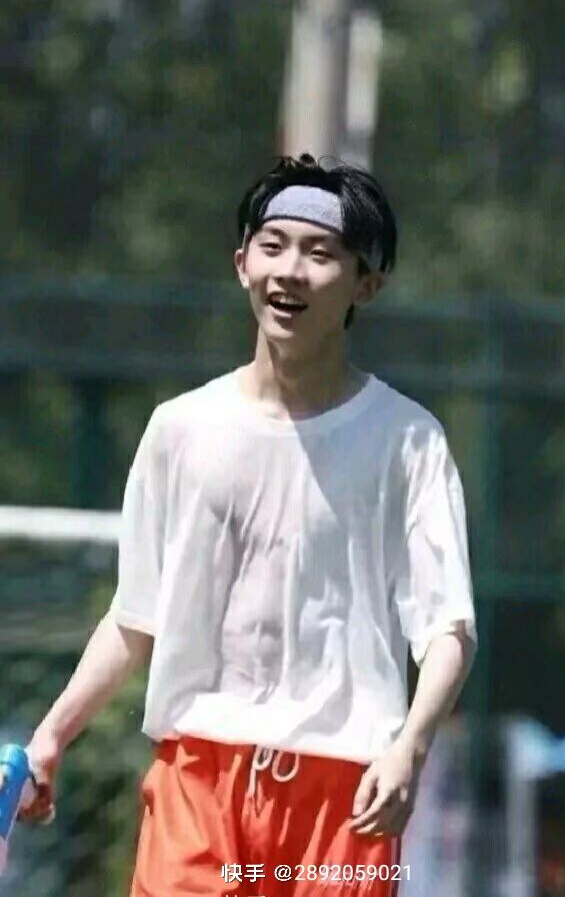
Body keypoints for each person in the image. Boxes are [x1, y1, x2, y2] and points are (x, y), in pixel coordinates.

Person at [18, 153, 478, 896]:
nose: (290, 271)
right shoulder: (181, 429)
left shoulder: (408, 441)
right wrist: (51, 735)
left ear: (366, 283)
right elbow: (136, 616)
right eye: (273, 246)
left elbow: (447, 629)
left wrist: (411, 750)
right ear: (242, 265)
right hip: (197, 783)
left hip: (342, 800)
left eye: (320, 253)